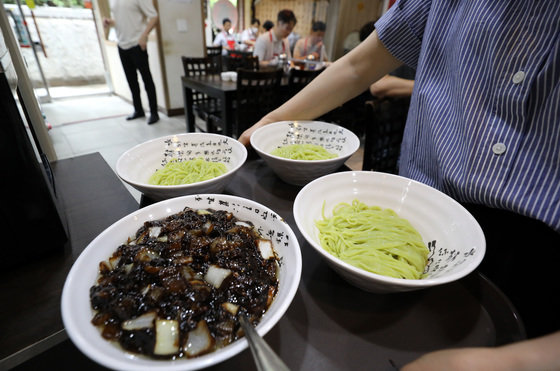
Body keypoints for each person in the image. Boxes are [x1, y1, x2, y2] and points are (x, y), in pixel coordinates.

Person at [240, 0, 560, 369]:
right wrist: (273, 121)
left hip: (540, 255)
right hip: (419, 202)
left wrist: (520, 362)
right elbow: (360, 65)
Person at [104, 0, 159, 125]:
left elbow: (154, 16)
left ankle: (154, 112)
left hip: (137, 44)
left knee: (147, 79)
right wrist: (110, 22)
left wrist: (144, 35)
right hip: (122, 44)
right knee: (131, 81)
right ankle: (138, 110)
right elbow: (121, 20)